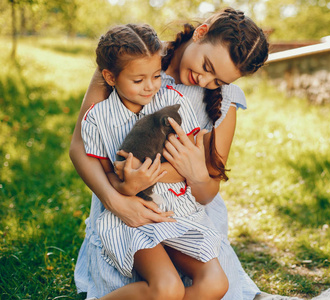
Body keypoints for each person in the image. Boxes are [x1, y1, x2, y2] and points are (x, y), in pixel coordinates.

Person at [71, 7, 297, 300]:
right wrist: (116, 200)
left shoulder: (222, 102)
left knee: (218, 284)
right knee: (164, 287)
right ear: (200, 32)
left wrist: (196, 172)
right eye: (206, 66)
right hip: (126, 204)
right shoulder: (133, 61)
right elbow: (79, 147)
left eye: (218, 81)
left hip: (185, 212)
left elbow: (206, 192)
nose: (205, 81)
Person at [81, 23, 228, 300]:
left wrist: (154, 174)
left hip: (178, 212)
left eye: (157, 75)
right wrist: (128, 187)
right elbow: (108, 177)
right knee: (167, 288)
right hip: (134, 217)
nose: (150, 87)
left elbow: (189, 161)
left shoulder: (173, 100)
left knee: (215, 284)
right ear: (110, 77)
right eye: (138, 81)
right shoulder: (97, 119)